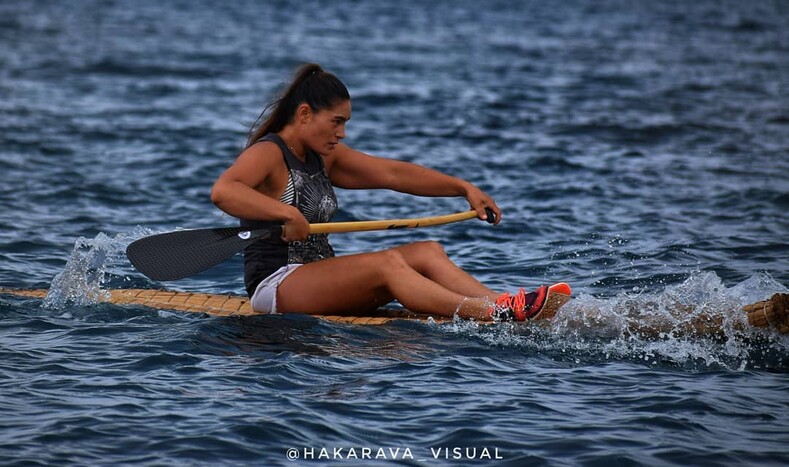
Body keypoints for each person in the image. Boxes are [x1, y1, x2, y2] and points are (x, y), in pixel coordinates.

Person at [211, 63, 556, 321]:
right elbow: (224, 191)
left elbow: (393, 173)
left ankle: (503, 304)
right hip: (277, 285)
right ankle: (487, 313)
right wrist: (287, 213)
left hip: (318, 279)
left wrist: (462, 188)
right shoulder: (269, 152)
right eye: (337, 121)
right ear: (304, 114)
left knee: (428, 251)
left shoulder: (324, 157)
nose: (342, 133)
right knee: (388, 264)